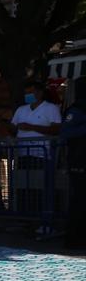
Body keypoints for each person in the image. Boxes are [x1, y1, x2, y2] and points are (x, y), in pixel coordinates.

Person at [9, 80, 62, 158]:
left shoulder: (51, 108)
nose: (27, 95)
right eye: (26, 93)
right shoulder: (20, 109)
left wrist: (31, 127)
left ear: (40, 93)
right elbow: (13, 129)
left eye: (30, 92)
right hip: (21, 155)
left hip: (41, 155)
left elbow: (56, 129)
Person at [62, 79, 86, 249]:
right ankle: (73, 238)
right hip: (79, 161)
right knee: (79, 200)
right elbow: (66, 132)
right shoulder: (76, 111)